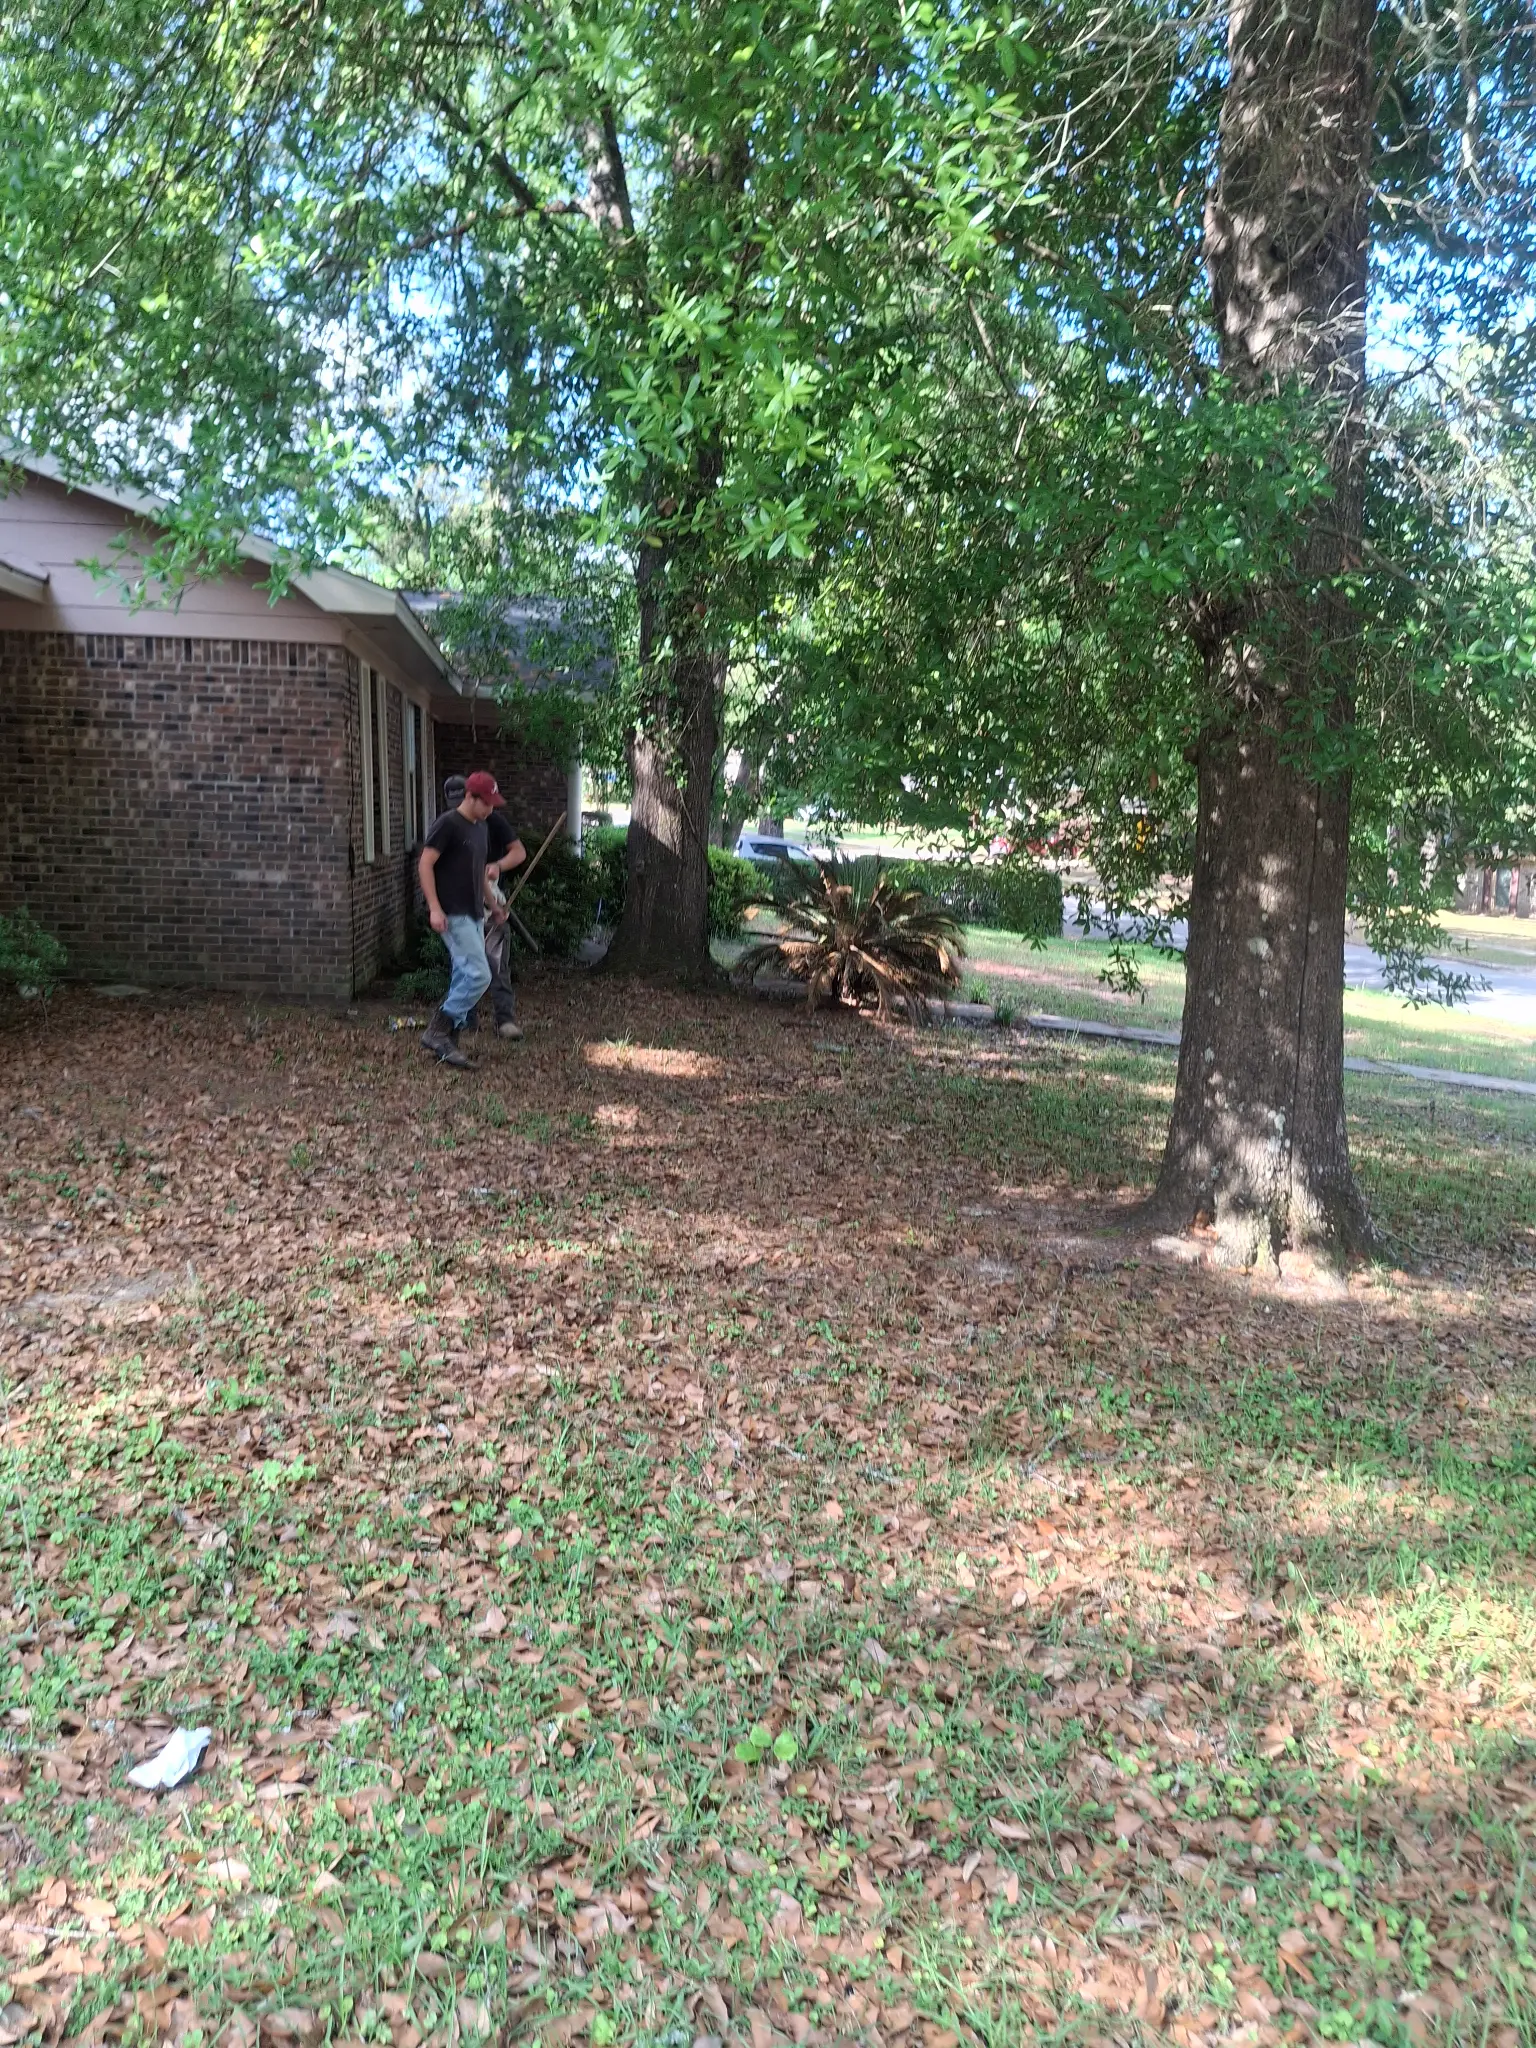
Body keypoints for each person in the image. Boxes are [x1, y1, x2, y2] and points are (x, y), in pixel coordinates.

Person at [416, 771, 508, 1068]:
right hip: (451, 912)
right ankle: (438, 1030)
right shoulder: (448, 825)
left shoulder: (480, 829)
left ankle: (449, 1040)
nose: (491, 809)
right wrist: (434, 908)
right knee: (479, 974)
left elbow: (479, 874)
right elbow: (425, 864)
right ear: (470, 796)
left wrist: (492, 906)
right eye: (487, 803)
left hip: (474, 912)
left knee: (464, 974)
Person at [483, 803, 528, 1039]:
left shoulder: (494, 822)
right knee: (463, 967)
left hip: (492, 909)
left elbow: (519, 852)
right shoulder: (451, 825)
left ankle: (505, 1020)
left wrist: (498, 866)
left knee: (499, 966)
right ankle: (461, 1020)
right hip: (462, 910)